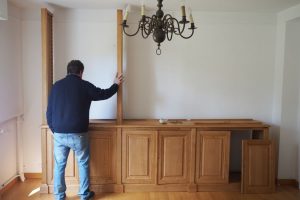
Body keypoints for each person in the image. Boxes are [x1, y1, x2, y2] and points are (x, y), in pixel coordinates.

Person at [46, 60, 123, 200]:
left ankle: (59, 196)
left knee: (59, 166)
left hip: (59, 133)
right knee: (83, 163)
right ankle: (84, 194)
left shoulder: (56, 86)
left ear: (67, 71)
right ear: (81, 72)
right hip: (78, 133)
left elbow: (49, 112)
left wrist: (54, 128)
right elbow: (103, 94)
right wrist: (116, 85)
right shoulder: (84, 85)